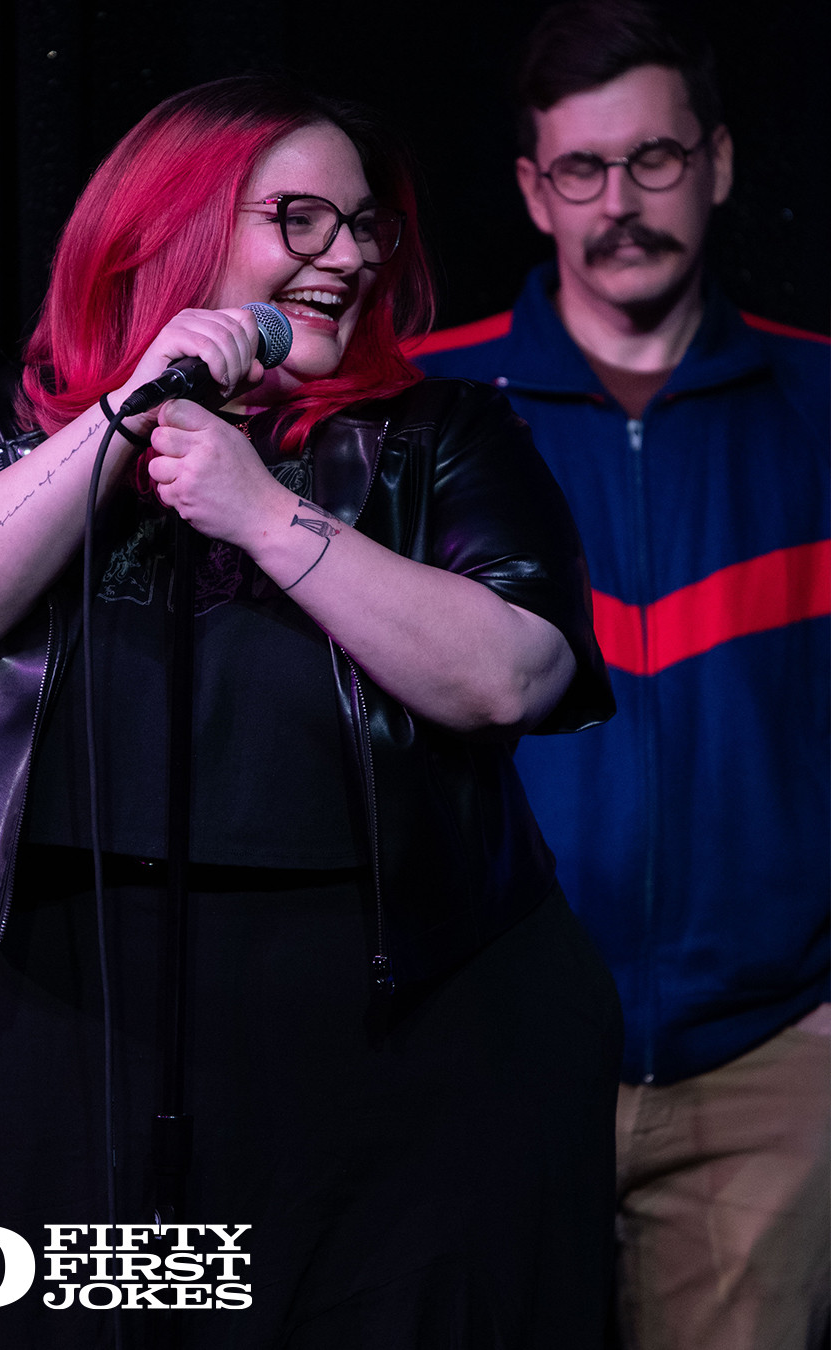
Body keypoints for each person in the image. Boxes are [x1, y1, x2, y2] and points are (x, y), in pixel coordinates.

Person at [0, 75, 619, 1348]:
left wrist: (263, 511)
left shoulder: (442, 434)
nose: (350, 258)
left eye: (365, 226)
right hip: (51, 1023)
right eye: (300, 219)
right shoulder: (30, 425)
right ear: (174, 228)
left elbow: (513, 676)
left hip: (393, 1040)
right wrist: (128, 413)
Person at [412, 5, 830, 1348]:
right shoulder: (424, 410)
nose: (620, 204)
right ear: (534, 191)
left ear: (719, 163)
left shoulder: (821, 404)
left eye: (654, 158)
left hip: (768, 1061)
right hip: (481, 1052)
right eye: (582, 169)